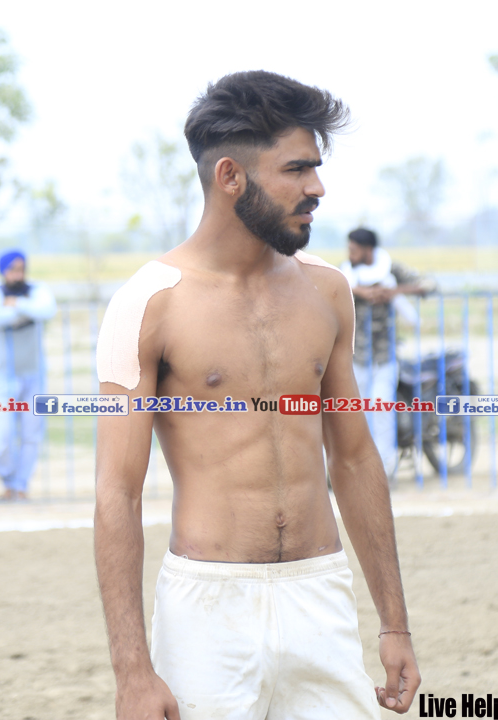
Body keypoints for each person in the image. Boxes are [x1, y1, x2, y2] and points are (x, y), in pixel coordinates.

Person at [95, 71, 420, 719]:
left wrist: (394, 623)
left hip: (319, 593)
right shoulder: (148, 303)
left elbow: (355, 458)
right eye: (297, 169)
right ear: (230, 176)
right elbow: (117, 493)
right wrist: (132, 671)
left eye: (316, 168)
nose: (317, 188)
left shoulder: (327, 291)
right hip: (207, 608)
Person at [341, 228, 433, 483]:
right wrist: (360, 292)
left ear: (367, 250)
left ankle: (384, 470)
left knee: (382, 408)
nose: (350, 254)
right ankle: (360, 469)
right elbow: (328, 288)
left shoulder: (390, 268)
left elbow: (428, 284)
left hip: (384, 357)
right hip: (356, 356)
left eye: (354, 250)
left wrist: (394, 291)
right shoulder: (345, 272)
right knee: (357, 413)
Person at [0, 249, 57, 500]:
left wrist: (18, 304)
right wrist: (27, 311)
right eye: (12, 269)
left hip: (34, 375)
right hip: (2, 377)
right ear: (3, 271)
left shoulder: (37, 289)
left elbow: (47, 310)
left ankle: (21, 486)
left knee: (32, 434)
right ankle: (8, 481)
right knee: (2, 436)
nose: (17, 274)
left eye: (21, 269)